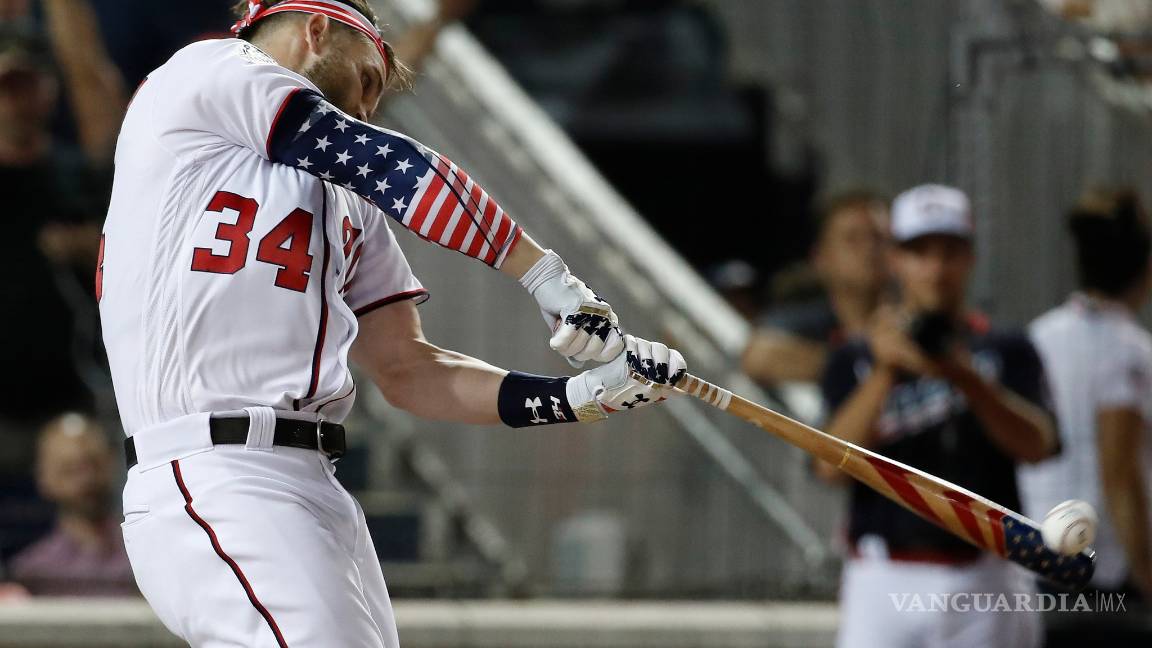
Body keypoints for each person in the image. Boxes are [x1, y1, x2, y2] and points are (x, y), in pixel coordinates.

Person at [100, 1, 687, 646]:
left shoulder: (345, 196)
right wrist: (546, 277)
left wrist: (578, 397)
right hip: (209, 469)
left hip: (311, 485)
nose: (370, 106)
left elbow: (409, 370)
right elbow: (382, 160)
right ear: (316, 31)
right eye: (367, 78)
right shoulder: (209, 70)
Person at [818, 184, 1057, 648]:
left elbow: (1040, 445)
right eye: (920, 251)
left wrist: (970, 379)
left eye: (950, 252)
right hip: (884, 575)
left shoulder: (1005, 350)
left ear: (969, 258)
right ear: (895, 260)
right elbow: (828, 466)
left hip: (985, 574)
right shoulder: (857, 357)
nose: (935, 268)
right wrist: (885, 373)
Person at [1020, 189, 1152, 645]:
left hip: (1034, 563)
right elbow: (1119, 473)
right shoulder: (1128, 352)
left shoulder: (1037, 335)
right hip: (1104, 578)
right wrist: (1147, 574)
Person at [0, 0, 124, 475]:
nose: (15, 100)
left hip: (73, 401)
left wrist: (87, 248)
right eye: (5, 87)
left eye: (25, 85)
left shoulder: (76, 176)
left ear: (47, 90)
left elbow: (133, 253)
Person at [743, 191, 888, 385]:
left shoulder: (914, 318)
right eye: (852, 239)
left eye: (879, 237)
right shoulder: (808, 322)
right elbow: (759, 356)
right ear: (821, 258)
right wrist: (864, 366)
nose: (870, 249)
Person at [8, 414, 136, 597]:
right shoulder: (32, 572)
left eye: (95, 465)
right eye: (69, 469)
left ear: (112, 465)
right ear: (44, 477)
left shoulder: (146, 553)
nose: (86, 479)